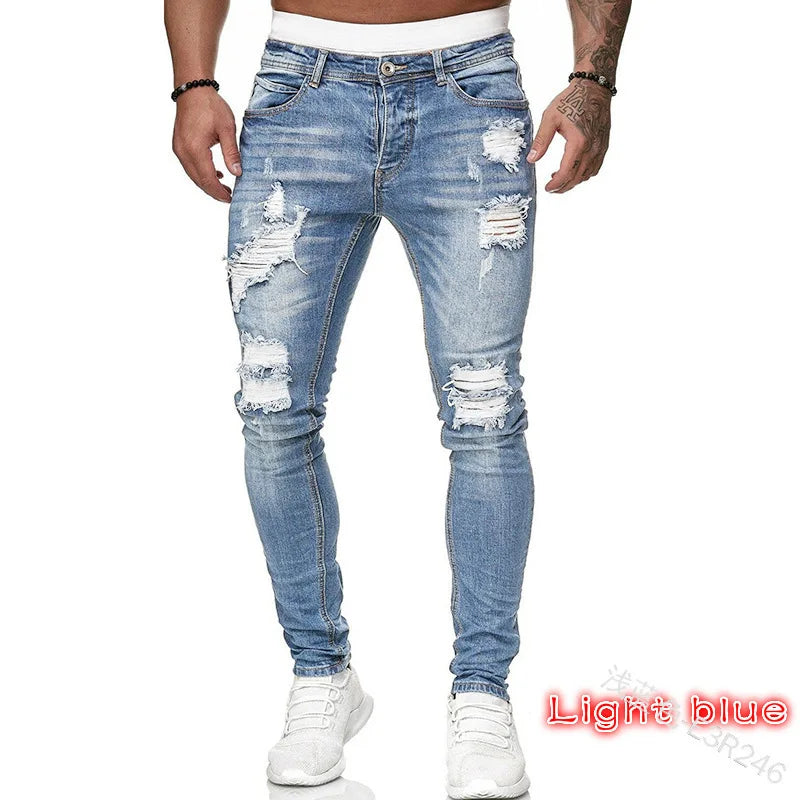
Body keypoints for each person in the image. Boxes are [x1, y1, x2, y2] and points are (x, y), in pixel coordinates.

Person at [165, 1, 630, 796]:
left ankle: (482, 691)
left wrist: (593, 78)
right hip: (299, 94)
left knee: (483, 411)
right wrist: (193, 82)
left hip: (470, 92)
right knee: (273, 408)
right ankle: (321, 674)